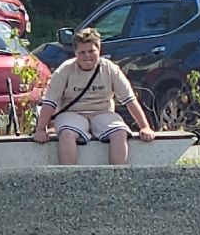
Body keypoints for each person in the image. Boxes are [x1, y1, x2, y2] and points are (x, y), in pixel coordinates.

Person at [33, 28, 156, 165]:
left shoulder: (110, 69)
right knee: (66, 133)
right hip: (72, 113)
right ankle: (68, 177)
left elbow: (129, 99)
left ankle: (116, 177)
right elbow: (50, 102)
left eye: (91, 51)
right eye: (82, 52)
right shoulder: (65, 70)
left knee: (120, 132)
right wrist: (40, 129)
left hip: (103, 112)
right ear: (75, 53)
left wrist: (144, 127)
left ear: (99, 50)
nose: (87, 56)